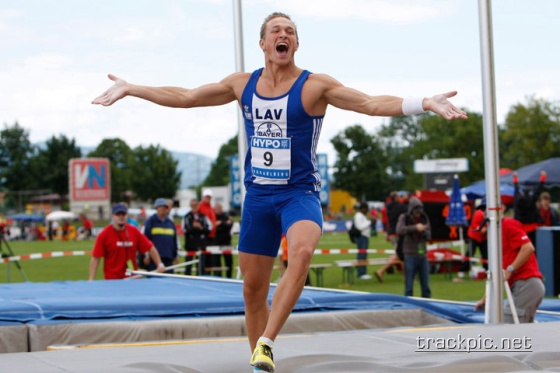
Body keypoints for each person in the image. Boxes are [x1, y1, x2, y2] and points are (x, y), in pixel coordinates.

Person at [92, 12, 466, 372]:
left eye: (288, 30)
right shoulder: (243, 84)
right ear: (263, 43)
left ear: (296, 43)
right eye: (275, 30)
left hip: (298, 194)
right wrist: (132, 88)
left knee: (301, 253)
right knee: (253, 290)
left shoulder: (315, 85)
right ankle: (260, 362)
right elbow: (187, 96)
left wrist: (424, 103)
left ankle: (267, 341)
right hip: (258, 199)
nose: (282, 35)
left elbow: (369, 103)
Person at [474, 214, 545, 323]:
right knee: (523, 332)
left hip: (526, 284)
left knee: (508, 330)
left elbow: (528, 247)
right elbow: (499, 276)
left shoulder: (507, 224)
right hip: (523, 287)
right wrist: (484, 299)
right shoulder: (496, 238)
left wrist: (511, 269)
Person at [88, 203, 166, 280]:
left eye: (123, 214)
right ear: (112, 216)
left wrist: (160, 264)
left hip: (132, 278)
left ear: (127, 215)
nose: (121, 216)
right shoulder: (104, 234)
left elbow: (150, 247)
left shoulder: (134, 231)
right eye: (118, 214)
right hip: (112, 280)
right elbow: (96, 257)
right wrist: (91, 279)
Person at [396, 196, 432, 298]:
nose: (418, 214)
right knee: (409, 286)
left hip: (422, 254)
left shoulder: (424, 218)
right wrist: (415, 228)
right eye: (416, 212)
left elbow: (429, 234)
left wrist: (424, 230)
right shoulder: (404, 217)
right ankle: (408, 306)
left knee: (426, 285)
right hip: (409, 254)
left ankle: (427, 304)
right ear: (411, 210)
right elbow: (399, 230)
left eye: (419, 212)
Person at [141, 198, 179, 273]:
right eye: (160, 207)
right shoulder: (150, 222)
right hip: (153, 259)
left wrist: (175, 256)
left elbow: (174, 240)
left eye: (164, 207)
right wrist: (146, 256)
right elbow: (145, 239)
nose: (162, 209)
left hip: (168, 257)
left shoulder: (170, 223)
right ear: (156, 208)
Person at [513, 171, 546, 247]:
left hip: (521, 228)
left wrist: (515, 180)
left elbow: (516, 191)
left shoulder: (518, 200)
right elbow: (538, 191)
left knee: (522, 247)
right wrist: (542, 179)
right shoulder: (531, 200)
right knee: (534, 247)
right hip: (533, 228)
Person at [183, 198, 212, 276]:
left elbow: (209, 229)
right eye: (192, 205)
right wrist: (193, 227)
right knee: (188, 266)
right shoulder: (186, 217)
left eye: (195, 205)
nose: (194, 207)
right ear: (190, 206)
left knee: (201, 267)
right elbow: (184, 231)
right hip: (190, 245)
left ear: (198, 205)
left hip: (201, 245)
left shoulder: (203, 216)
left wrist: (201, 227)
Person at [198, 189, 219, 275]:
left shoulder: (211, 208)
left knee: (210, 259)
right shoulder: (200, 207)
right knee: (204, 258)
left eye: (209, 197)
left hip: (212, 236)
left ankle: (208, 274)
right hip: (205, 236)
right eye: (207, 197)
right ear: (203, 197)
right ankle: (204, 274)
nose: (208, 198)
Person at [214, 203, 234, 278]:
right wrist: (224, 224)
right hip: (216, 243)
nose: (219, 210)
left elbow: (229, 225)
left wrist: (221, 223)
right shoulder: (214, 216)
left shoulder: (225, 216)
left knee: (229, 262)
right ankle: (218, 277)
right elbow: (214, 228)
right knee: (217, 262)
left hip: (226, 243)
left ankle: (229, 277)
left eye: (220, 208)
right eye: (218, 208)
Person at [353, 202, 372, 280]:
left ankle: (362, 272)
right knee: (362, 254)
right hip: (361, 237)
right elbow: (360, 227)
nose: (367, 210)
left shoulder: (362, 216)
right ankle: (361, 273)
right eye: (366, 208)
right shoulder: (358, 215)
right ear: (363, 208)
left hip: (364, 237)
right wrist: (370, 222)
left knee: (363, 254)